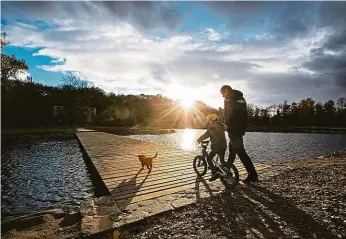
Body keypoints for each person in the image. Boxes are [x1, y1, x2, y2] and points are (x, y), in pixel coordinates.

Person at [220, 85, 259, 183]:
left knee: (241, 152)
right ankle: (227, 170)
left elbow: (233, 113)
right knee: (232, 151)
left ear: (226, 90)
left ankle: (253, 175)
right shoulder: (239, 97)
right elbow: (241, 114)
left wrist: (227, 124)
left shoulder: (230, 97)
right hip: (239, 128)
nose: (223, 96)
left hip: (234, 129)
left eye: (222, 93)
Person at [196, 113, 227, 182]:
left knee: (209, 159)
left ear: (211, 120)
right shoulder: (221, 125)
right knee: (222, 160)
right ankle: (227, 172)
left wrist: (199, 139)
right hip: (223, 145)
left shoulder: (212, 127)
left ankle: (214, 173)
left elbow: (206, 134)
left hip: (217, 147)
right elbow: (216, 135)